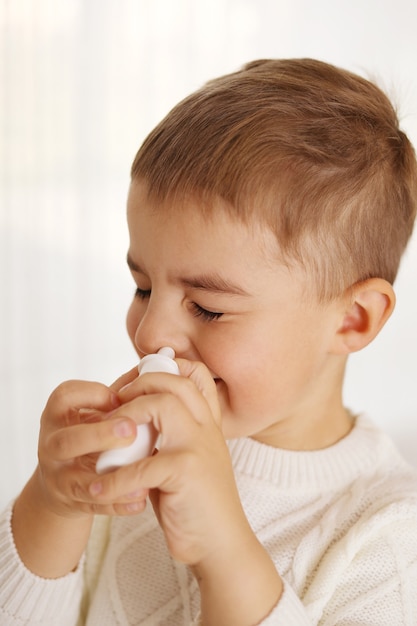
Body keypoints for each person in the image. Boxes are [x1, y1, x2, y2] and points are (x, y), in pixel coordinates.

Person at [1, 58, 417, 626]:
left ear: (352, 320)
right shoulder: (136, 453)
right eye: (143, 286)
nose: (150, 335)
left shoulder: (389, 542)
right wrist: (53, 504)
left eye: (207, 307)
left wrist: (225, 555)